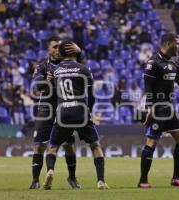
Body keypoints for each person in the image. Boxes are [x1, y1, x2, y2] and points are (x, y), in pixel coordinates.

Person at [43, 41, 109, 190]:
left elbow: (51, 93)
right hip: (80, 112)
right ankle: (100, 181)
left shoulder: (56, 70)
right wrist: (89, 111)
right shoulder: (84, 69)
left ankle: (50, 171)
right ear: (75, 52)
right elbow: (92, 95)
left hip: (63, 113)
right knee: (95, 146)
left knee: (53, 147)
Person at [138, 33, 179, 188]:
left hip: (169, 107)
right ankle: (143, 180)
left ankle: (176, 177)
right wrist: (149, 107)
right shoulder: (153, 63)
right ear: (168, 43)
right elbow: (148, 88)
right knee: (151, 142)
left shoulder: (175, 62)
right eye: (177, 43)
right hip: (157, 108)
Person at [29, 37, 81, 189]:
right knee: (39, 145)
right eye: (54, 47)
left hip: (64, 109)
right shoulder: (42, 66)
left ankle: (72, 177)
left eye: (59, 47)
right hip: (46, 108)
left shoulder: (68, 65)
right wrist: (47, 80)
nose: (57, 49)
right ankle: (35, 180)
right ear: (48, 49)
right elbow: (38, 86)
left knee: (68, 145)